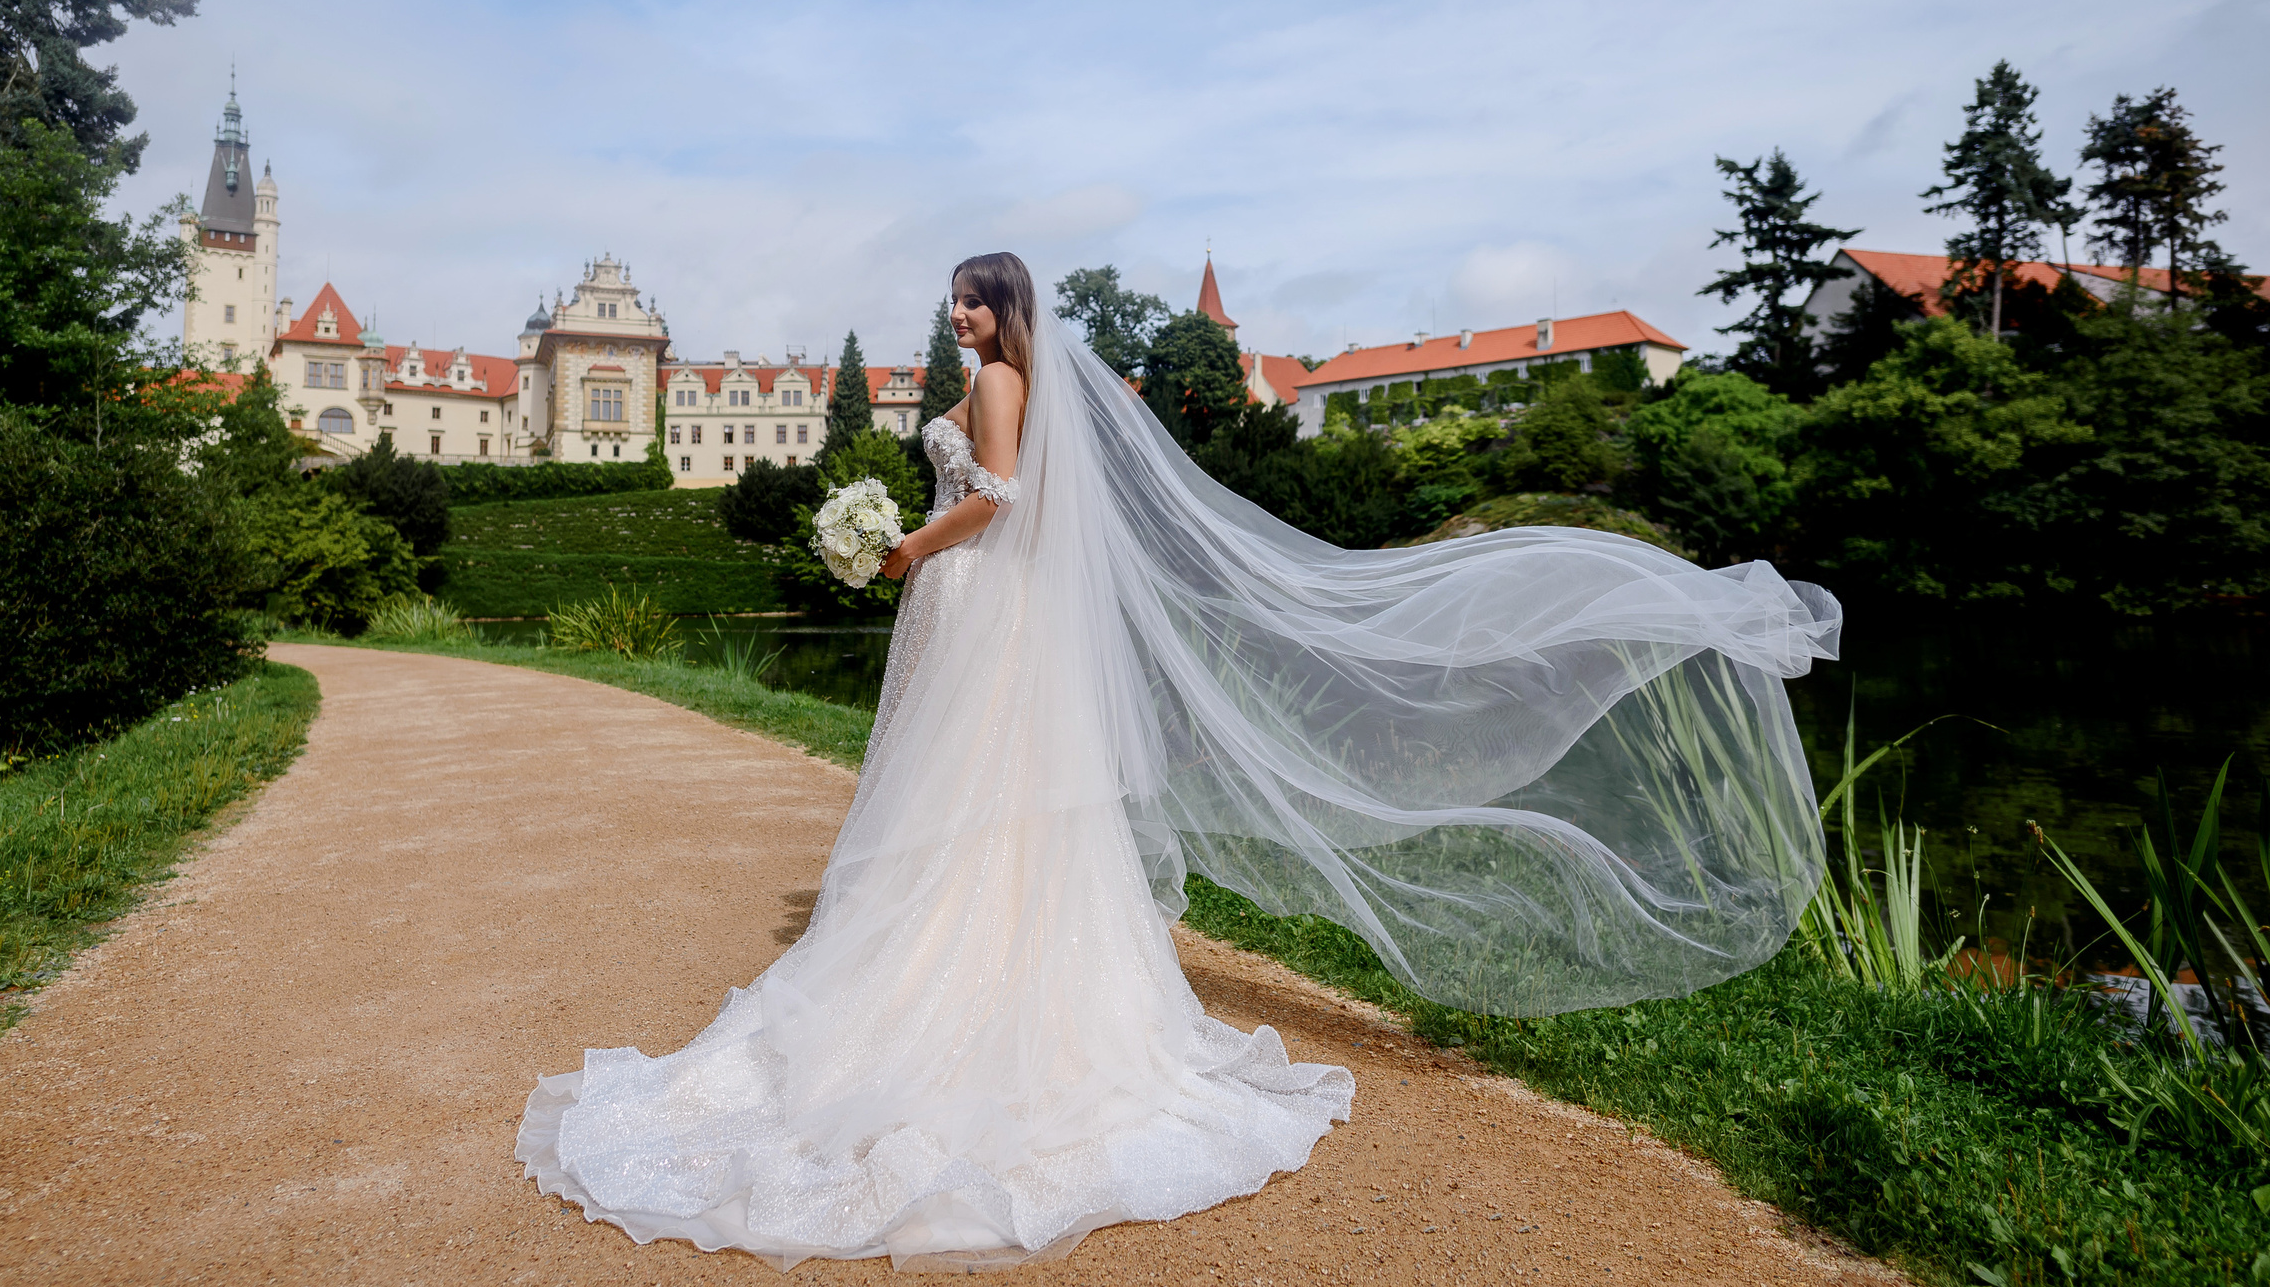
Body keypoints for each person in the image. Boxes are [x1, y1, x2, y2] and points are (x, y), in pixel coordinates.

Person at [518, 252, 1838, 1270]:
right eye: (955, 307)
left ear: (1000, 309)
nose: (959, 321)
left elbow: (1001, 501)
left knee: (962, 783)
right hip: (987, 608)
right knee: (985, 792)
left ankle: (950, 960)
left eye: (970, 305)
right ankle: (989, 941)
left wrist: (906, 547)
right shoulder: (1008, 378)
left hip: (974, 592)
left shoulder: (994, 385)